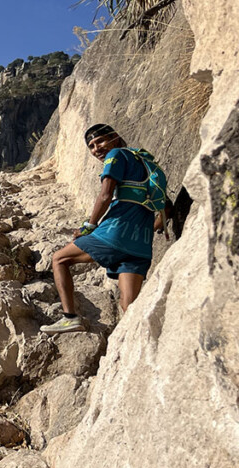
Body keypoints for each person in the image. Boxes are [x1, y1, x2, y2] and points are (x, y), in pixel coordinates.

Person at [40, 123, 167, 334]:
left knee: (59, 259)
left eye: (99, 141)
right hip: (141, 246)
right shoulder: (145, 162)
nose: (96, 149)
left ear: (115, 137)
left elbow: (106, 195)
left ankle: (70, 318)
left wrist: (89, 226)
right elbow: (165, 211)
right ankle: (138, 340)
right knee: (129, 307)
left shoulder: (116, 154)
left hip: (115, 234)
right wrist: (143, 231)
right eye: (91, 146)